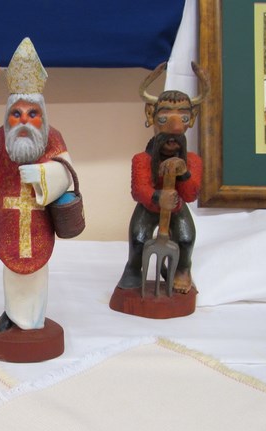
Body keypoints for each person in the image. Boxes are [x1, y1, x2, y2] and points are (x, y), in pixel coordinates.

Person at [0, 38, 73, 332]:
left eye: (32, 114)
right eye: (16, 114)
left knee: (37, 272)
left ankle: (35, 318)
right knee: (11, 269)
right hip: (8, 217)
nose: (24, 121)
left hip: (40, 219)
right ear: (8, 115)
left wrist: (43, 176)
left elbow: (67, 173)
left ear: (42, 115)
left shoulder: (52, 138)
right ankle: (12, 313)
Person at [116, 62, 208, 295]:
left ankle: (182, 269)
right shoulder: (142, 160)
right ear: (151, 115)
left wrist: (183, 173)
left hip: (177, 207)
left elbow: (190, 194)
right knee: (138, 238)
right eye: (165, 118)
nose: (175, 128)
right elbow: (139, 190)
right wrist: (157, 197)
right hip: (149, 207)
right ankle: (133, 268)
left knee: (186, 239)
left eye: (183, 118)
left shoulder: (193, 161)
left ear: (192, 119)